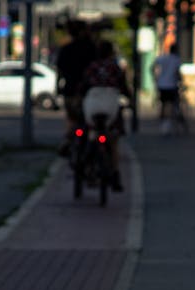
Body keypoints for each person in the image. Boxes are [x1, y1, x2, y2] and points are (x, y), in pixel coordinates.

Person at [80, 40, 131, 191]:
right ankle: (115, 174)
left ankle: (88, 163)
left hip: (93, 105)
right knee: (113, 141)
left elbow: (83, 86)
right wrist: (130, 100)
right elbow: (124, 87)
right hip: (111, 105)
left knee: (90, 130)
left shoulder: (91, 67)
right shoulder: (115, 68)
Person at [54, 20, 96, 155]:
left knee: (72, 120)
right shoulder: (91, 48)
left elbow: (59, 71)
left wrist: (58, 88)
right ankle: (94, 147)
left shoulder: (66, 49)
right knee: (91, 122)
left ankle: (68, 140)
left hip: (70, 90)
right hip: (90, 92)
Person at [150, 43, 183, 134]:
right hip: (171, 85)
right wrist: (180, 81)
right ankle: (168, 123)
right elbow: (177, 72)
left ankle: (164, 123)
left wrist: (156, 78)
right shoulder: (176, 60)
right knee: (171, 104)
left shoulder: (163, 58)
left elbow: (152, 66)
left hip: (162, 84)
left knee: (164, 104)